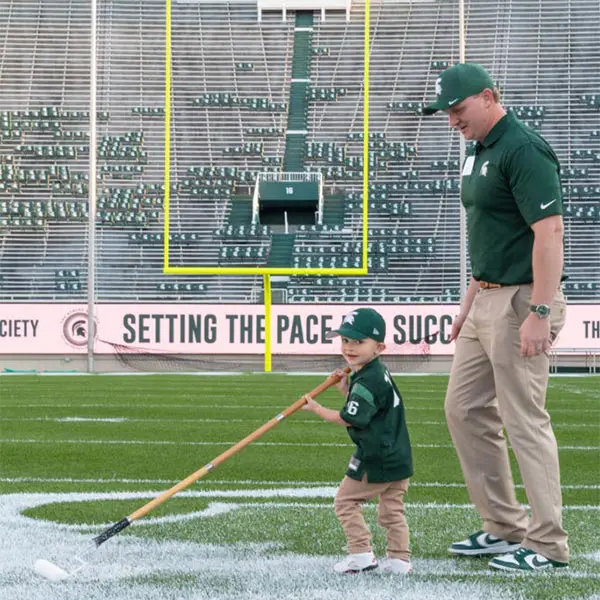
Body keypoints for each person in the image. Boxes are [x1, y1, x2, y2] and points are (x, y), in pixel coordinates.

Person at [423, 63, 568, 571]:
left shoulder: (523, 149)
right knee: (463, 410)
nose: (452, 120)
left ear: (488, 97)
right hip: (484, 298)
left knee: (524, 421)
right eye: (446, 112)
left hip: (521, 302)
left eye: (458, 109)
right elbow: (491, 234)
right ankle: (504, 527)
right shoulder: (477, 151)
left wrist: (541, 311)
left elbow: (549, 234)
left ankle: (548, 542)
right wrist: (468, 302)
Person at [302, 308, 413, 574]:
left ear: (379, 347)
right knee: (392, 510)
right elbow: (366, 407)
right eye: (345, 341)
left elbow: (349, 418)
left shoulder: (366, 380)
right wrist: (345, 389)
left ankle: (361, 553)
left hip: (375, 456)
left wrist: (317, 408)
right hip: (399, 453)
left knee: (345, 502)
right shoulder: (374, 373)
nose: (349, 348)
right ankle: (399, 560)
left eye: (359, 342)